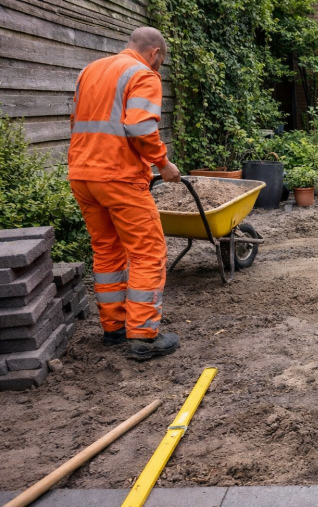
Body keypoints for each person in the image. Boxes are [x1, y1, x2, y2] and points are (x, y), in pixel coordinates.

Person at [68, 27, 181, 360]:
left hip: (82, 175)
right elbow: (141, 128)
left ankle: (114, 329)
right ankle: (144, 336)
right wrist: (162, 163)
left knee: (106, 252)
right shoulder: (143, 74)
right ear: (155, 53)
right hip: (118, 177)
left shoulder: (89, 71)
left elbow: (77, 121)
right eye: (160, 62)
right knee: (148, 252)